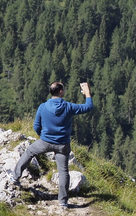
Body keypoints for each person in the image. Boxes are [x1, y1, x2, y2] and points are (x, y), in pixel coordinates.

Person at [10, 81, 93, 209]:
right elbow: (88, 107)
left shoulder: (43, 107)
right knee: (63, 171)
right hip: (63, 144)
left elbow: (36, 126)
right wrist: (87, 93)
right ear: (61, 92)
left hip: (45, 142)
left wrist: (43, 136)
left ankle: (15, 177)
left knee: (29, 152)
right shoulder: (69, 107)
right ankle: (63, 202)